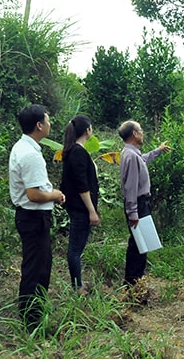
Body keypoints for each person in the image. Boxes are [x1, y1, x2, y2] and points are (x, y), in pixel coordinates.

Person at [9, 104, 66, 329]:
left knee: (38, 265)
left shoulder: (23, 147)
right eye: (48, 120)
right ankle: (32, 321)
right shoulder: (30, 154)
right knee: (36, 268)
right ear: (39, 125)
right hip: (33, 218)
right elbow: (34, 194)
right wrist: (56, 194)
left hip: (30, 218)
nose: (50, 124)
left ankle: (33, 312)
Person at [118, 120, 171, 287]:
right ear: (134, 134)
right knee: (138, 245)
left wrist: (158, 151)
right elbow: (131, 186)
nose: (142, 133)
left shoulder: (132, 154)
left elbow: (144, 160)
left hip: (140, 204)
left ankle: (135, 281)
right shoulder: (131, 156)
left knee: (141, 244)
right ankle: (133, 283)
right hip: (138, 205)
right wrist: (133, 212)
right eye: (140, 130)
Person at [60, 115, 100, 296]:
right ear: (87, 131)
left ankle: (79, 283)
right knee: (75, 249)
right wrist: (92, 210)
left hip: (77, 207)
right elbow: (82, 185)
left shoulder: (73, 150)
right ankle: (77, 287)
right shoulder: (77, 152)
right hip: (80, 208)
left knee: (77, 247)